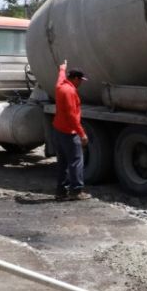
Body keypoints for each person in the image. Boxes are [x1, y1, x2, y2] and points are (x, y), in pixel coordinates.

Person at [53, 60, 90, 201]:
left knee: (62, 162)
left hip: (58, 130)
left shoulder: (60, 86)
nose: (81, 82)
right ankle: (76, 191)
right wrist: (82, 134)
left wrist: (62, 68)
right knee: (76, 161)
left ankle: (60, 191)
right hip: (68, 132)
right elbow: (71, 116)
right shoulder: (69, 91)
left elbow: (61, 77)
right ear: (75, 78)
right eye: (80, 80)